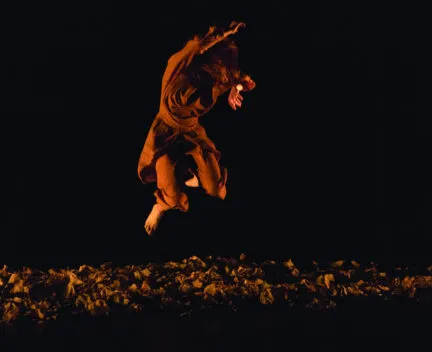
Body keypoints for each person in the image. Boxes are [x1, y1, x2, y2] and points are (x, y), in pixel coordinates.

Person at [137, 21, 256, 235]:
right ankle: (160, 205)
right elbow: (197, 45)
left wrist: (236, 88)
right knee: (170, 191)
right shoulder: (180, 66)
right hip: (166, 132)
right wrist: (226, 31)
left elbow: (244, 80)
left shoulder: (216, 80)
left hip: (191, 132)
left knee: (215, 189)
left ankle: (193, 175)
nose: (220, 69)